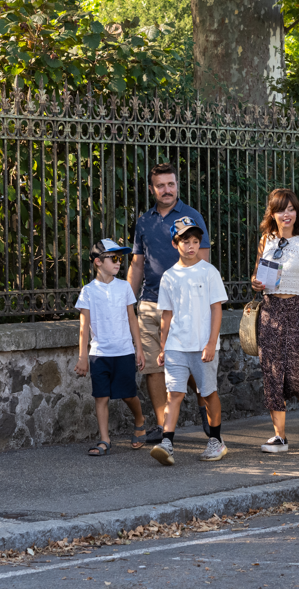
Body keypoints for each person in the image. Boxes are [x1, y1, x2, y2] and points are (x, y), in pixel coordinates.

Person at [127, 163, 212, 442]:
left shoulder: (192, 216)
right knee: (153, 367)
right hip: (151, 304)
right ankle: (167, 431)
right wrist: (128, 302)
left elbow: (204, 263)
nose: (167, 190)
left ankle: (204, 404)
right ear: (152, 189)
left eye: (171, 184)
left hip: (185, 307)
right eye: (161, 185)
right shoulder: (144, 222)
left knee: (190, 364)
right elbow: (137, 265)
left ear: (177, 185)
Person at [149, 216, 229, 465]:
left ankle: (216, 440)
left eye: (195, 241)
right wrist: (163, 348)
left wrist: (210, 343)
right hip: (176, 346)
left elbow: (216, 309)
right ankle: (167, 443)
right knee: (174, 394)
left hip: (203, 346)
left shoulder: (209, 271)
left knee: (208, 394)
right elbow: (167, 315)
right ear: (175, 244)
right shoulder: (169, 277)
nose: (192, 245)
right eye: (186, 241)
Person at [250, 188, 299, 453]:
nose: (287, 214)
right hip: (270, 311)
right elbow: (256, 276)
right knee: (271, 374)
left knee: (293, 376)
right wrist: (256, 283)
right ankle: (279, 437)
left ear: (296, 212)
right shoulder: (265, 241)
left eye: (291, 208)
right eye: (281, 209)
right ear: (273, 214)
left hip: (297, 309)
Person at [74, 238, 147, 455]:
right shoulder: (88, 291)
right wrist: (82, 357)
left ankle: (139, 419)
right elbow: (84, 326)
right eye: (113, 258)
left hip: (124, 351)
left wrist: (139, 348)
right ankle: (105, 440)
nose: (118, 263)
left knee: (127, 394)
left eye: (120, 258)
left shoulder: (124, 287)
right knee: (101, 396)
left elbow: (132, 319)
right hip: (99, 353)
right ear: (97, 261)